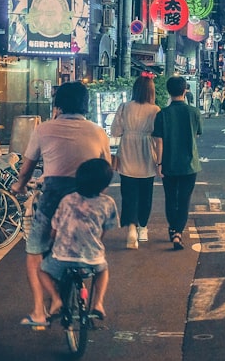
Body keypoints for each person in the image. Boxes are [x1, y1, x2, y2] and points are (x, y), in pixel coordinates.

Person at [11, 81, 112, 326]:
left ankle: (39, 310)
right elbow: (106, 170)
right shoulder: (98, 132)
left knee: (34, 252)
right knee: (95, 242)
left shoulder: (43, 129)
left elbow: (26, 170)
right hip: (87, 199)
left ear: (58, 104)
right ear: (85, 104)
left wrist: (20, 186)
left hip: (53, 200)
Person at [39, 157, 117, 320]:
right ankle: (98, 304)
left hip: (62, 255)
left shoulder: (67, 200)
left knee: (42, 271)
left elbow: (55, 229)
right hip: (92, 256)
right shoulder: (108, 203)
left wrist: (51, 241)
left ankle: (55, 300)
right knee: (102, 270)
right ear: (105, 184)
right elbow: (104, 230)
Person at [110, 74, 161, 249]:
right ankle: (143, 228)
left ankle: (131, 227)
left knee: (129, 193)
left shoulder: (124, 107)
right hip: (147, 151)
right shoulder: (155, 110)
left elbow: (115, 131)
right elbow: (158, 135)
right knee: (146, 194)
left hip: (127, 152)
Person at [153, 75, 203, 250]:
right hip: (189, 164)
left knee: (170, 197)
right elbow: (197, 134)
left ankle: (173, 227)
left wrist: (159, 164)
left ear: (168, 91)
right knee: (184, 199)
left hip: (168, 163)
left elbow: (158, 141)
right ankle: (178, 233)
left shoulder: (162, 114)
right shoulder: (194, 112)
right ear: (185, 90)